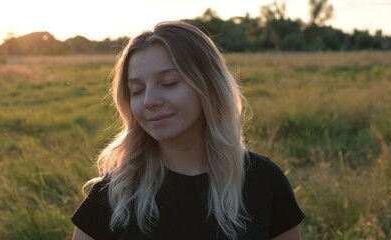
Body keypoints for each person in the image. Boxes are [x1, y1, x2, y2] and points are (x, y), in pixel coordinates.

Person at [71, 21, 304, 240]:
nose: (149, 100)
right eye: (137, 90)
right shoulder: (114, 193)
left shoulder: (264, 179)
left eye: (169, 82)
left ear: (209, 85)